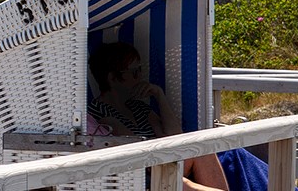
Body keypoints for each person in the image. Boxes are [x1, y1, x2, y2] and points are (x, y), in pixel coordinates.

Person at [88, 43, 228, 191]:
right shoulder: (100, 112)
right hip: (140, 172)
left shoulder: (136, 107)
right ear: (112, 78)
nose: (140, 77)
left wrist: (159, 95)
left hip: (160, 162)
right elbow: (136, 148)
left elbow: (176, 136)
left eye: (140, 70)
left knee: (202, 147)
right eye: (134, 72)